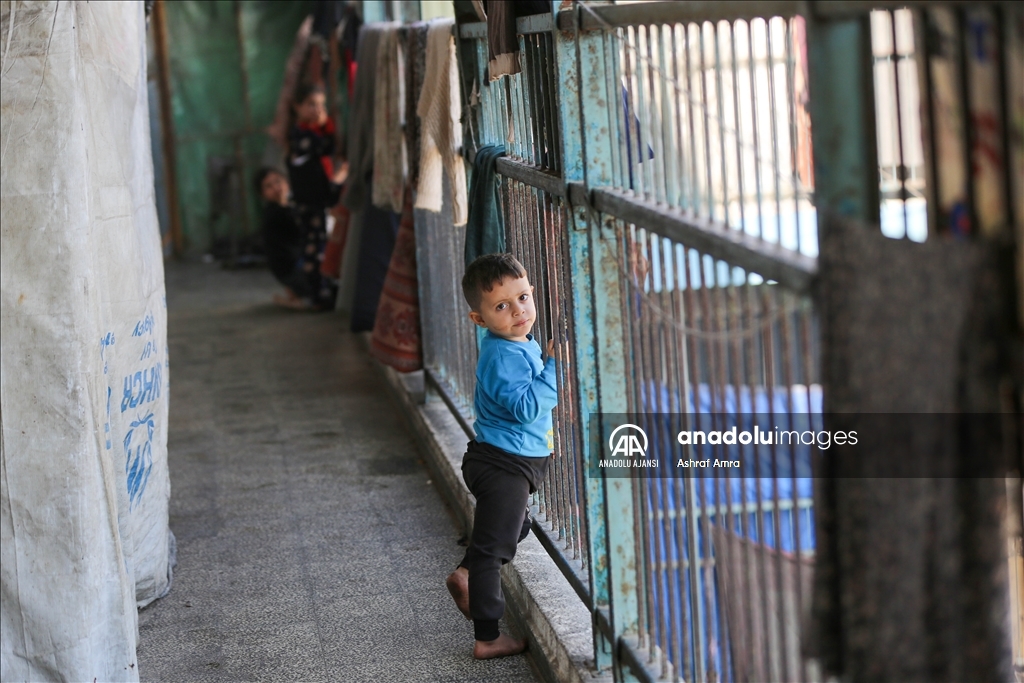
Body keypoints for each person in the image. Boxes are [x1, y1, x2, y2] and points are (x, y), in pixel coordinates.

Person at [446, 253, 558, 659]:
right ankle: (488, 637)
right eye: (501, 306)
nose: (518, 311)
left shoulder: (514, 342)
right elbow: (528, 407)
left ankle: (465, 573)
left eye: (523, 297)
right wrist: (555, 367)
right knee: (495, 551)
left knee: (510, 531)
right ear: (480, 319)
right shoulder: (502, 356)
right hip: (503, 466)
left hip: (504, 461)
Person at [287, 83, 346, 311]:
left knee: (323, 247)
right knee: (315, 250)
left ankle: (324, 293)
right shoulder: (300, 135)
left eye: (321, 105)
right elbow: (325, 147)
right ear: (297, 107)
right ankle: (317, 296)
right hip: (309, 206)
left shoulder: (312, 133)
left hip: (318, 203)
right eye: (311, 104)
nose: (317, 110)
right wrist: (327, 127)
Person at [254, 167, 309, 310]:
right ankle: (298, 293)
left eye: (278, 182)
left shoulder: (289, 206)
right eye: (268, 186)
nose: (276, 188)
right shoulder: (275, 213)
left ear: (287, 183)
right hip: (292, 270)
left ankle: (296, 293)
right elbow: (298, 227)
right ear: (262, 194)